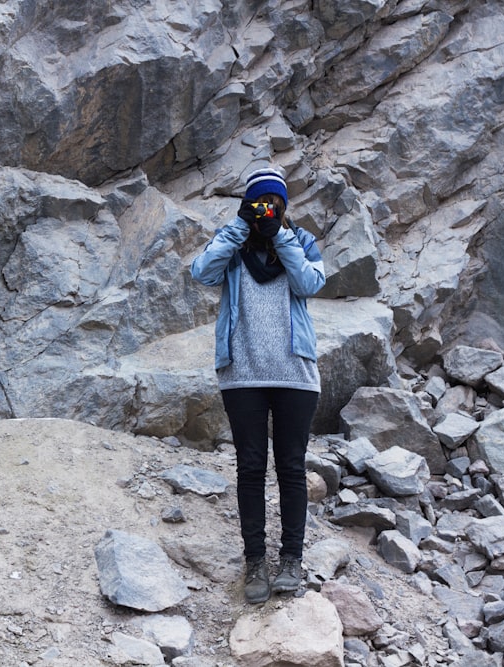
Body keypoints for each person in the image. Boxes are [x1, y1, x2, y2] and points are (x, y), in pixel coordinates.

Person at [189, 166, 325, 603]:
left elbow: (310, 282)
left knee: (290, 467)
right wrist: (239, 226)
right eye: (259, 202)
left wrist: (279, 234)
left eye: (274, 201)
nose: (267, 208)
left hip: (295, 375)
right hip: (242, 373)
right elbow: (200, 272)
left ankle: (291, 562)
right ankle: (254, 565)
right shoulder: (234, 244)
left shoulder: (300, 241)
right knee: (249, 468)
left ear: (285, 204)